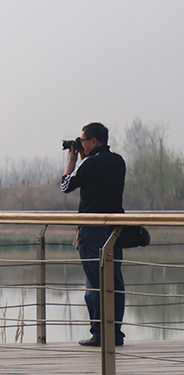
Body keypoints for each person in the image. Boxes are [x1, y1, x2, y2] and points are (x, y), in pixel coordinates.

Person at [59, 122, 127, 347]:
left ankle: (99, 333)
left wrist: (72, 162)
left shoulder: (90, 163)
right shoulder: (118, 161)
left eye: (83, 141)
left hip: (92, 229)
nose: (81, 145)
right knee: (114, 281)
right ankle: (114, 332)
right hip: (115, 229)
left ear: (93, 141)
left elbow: (66, 185)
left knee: (95, 284)